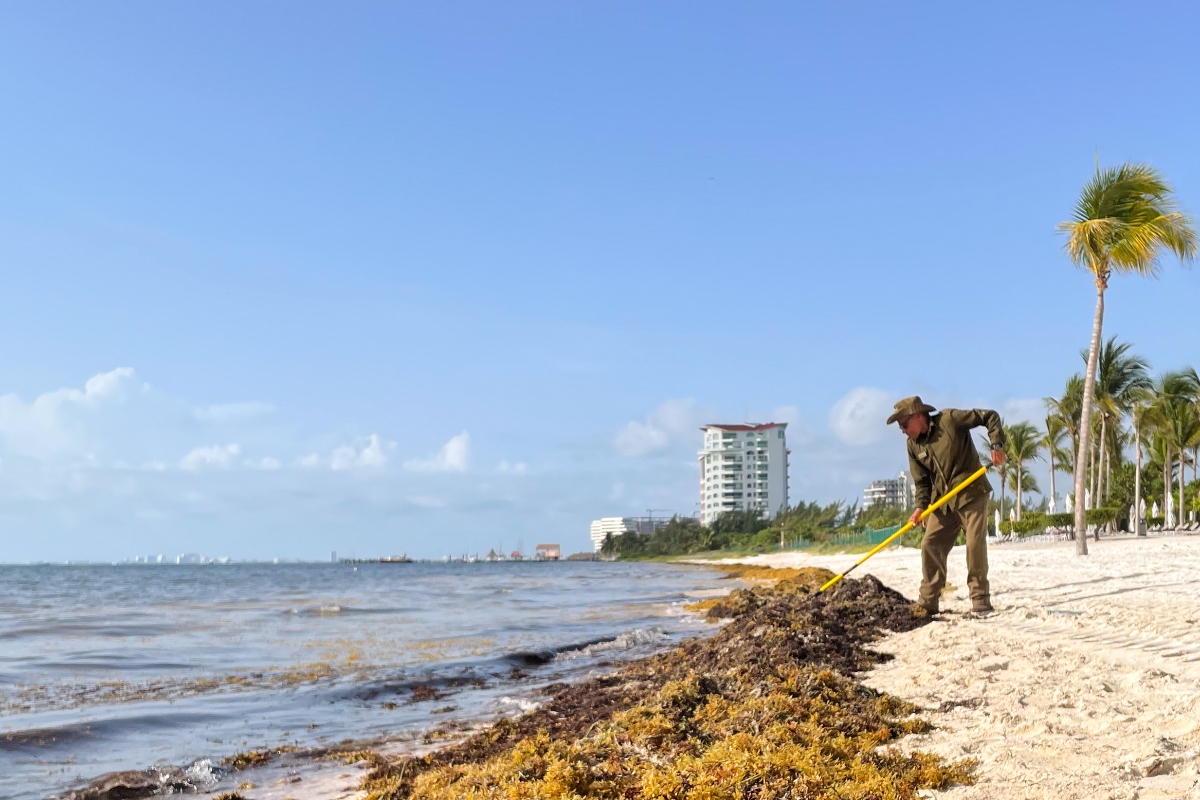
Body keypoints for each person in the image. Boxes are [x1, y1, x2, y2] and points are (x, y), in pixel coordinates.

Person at [886, 396, 1006, 615]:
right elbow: (921, 480)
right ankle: (928, 600)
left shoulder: (950, 420)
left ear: (918, 416)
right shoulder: (912, 445)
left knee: (973, 543)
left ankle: (980, 598)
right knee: (929, 544)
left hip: (971, 494)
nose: (902, 429)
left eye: (904, 423)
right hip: (942, 501)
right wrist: (921, 507)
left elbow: (989, 417)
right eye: (899, 426)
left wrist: (996, 444)